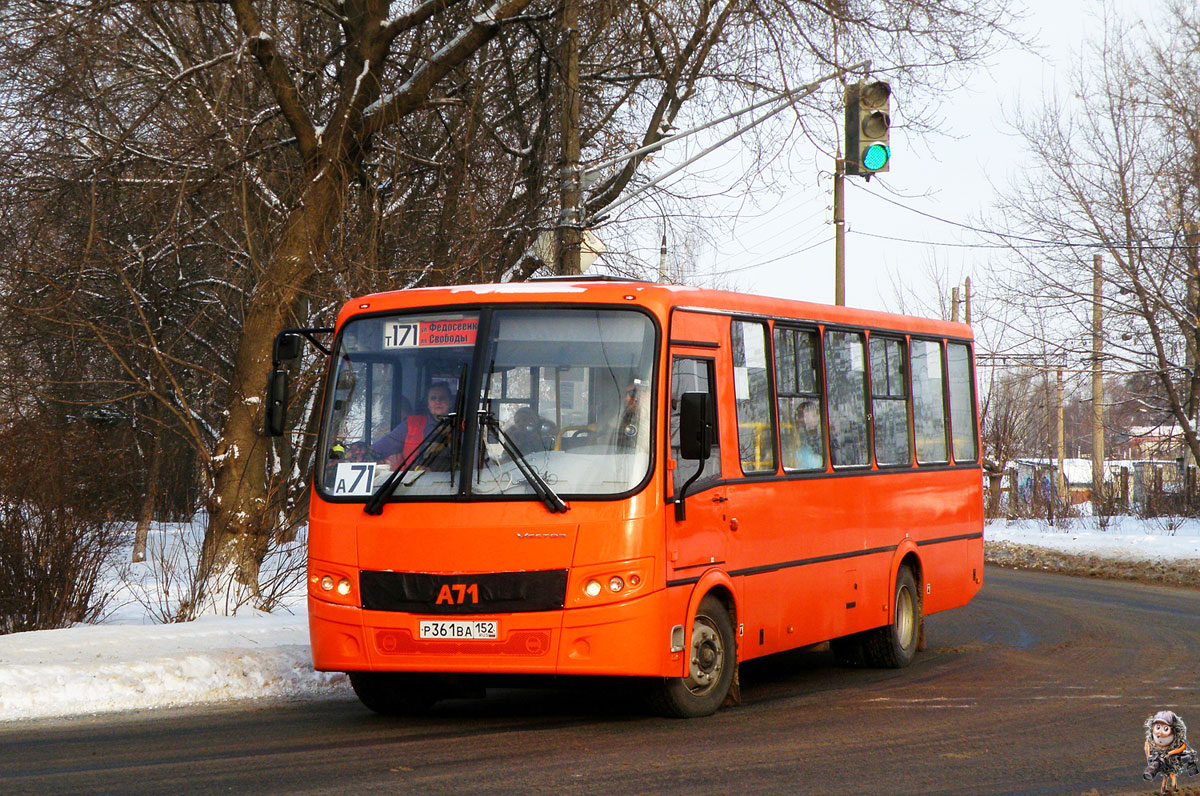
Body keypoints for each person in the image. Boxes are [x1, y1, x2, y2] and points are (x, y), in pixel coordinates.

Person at [372, 382, 454, 468]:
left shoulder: (462, 426)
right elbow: (380, 449)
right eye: (433, 398)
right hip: (414, 480)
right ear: (428, 404)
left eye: (442, 398)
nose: (438, 401)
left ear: (450, 402)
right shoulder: (411, 425)